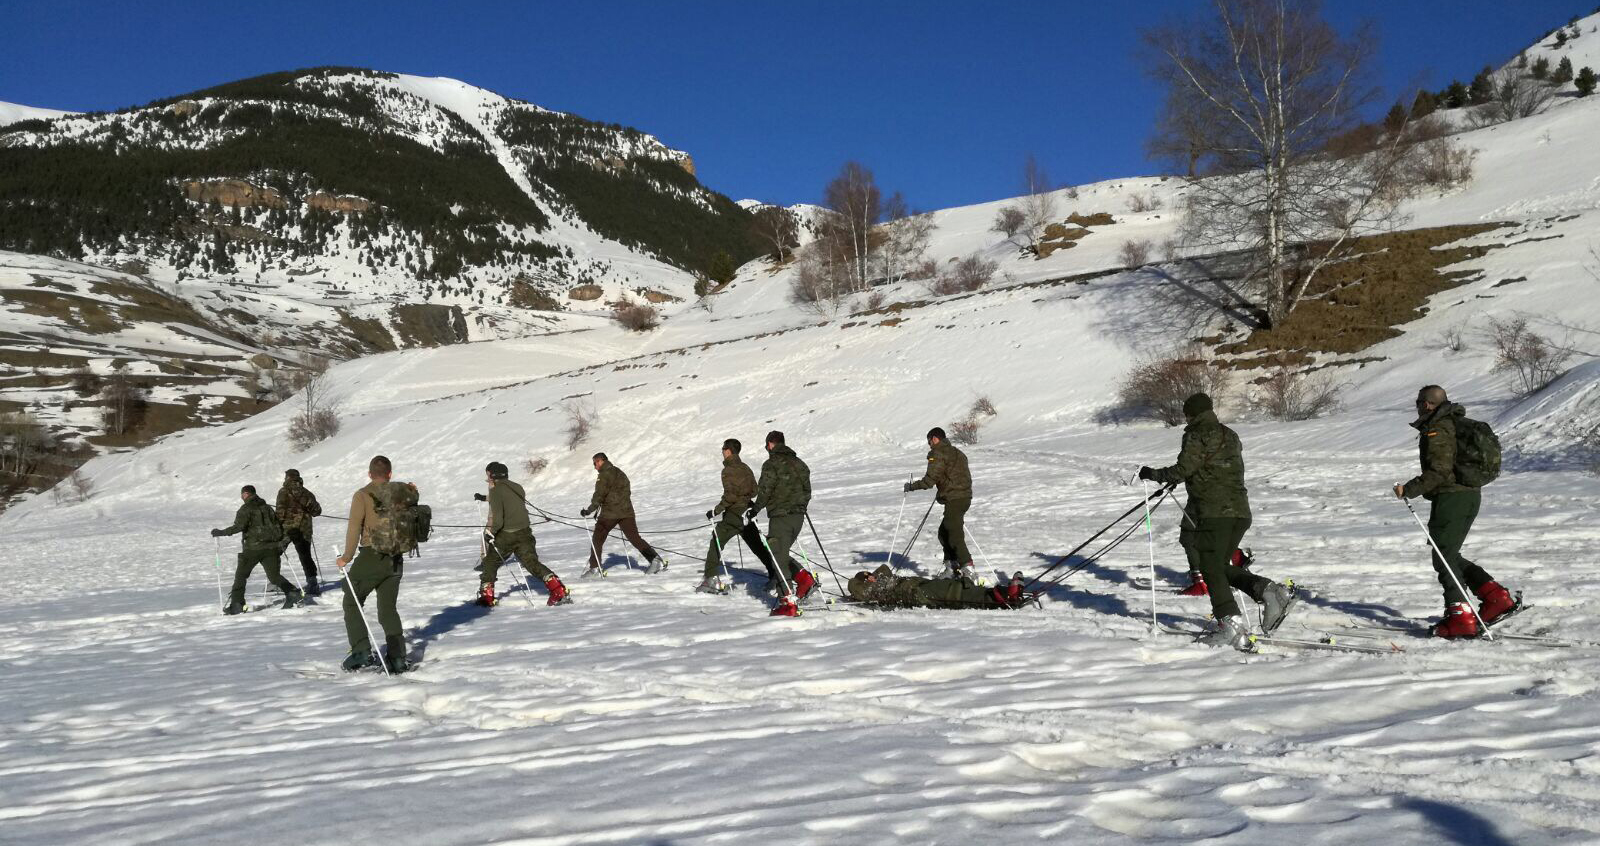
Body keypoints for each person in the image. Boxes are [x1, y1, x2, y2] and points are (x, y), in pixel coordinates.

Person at [1138, 392, 1294, 651]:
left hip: (1214, 512)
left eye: (1187, 414)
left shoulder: (1197, 433)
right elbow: (1211, 467)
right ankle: (1269, 591)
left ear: (1192, 414)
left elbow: (1183, 469)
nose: (1186, 419)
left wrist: (1151, 474)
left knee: (1210, 567)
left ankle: (1230, 625)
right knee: (1218, 565)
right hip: (1240, 512)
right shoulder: (1230, 434)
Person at [1394, 385, 1517, 638]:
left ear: (1428, 404)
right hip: (1468, 494)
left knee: (1443, 556)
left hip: (1453, 497)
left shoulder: (1440, 428)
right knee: (1448, 553)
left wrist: (1409, 488)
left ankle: (1460, 616)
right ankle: (1496, 597)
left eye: (1419, 401)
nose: (1417, 405)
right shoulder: (1453, 422)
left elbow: (1440, 471)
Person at [334, 455, 414, 673]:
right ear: (390, 474)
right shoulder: (402, 493)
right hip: (396, 558)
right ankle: (397, 658)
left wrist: (346, 557)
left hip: (372, 555)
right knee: (388, 608)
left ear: (369, 474)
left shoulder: (362, 495)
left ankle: (361, 652)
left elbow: (354, 528)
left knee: (352, 601)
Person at [474, 461, 570, 607]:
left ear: (493, 475)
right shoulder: (518, 486)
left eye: (489, 475)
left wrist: (490, 533)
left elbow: (498, 519)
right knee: (532, 563)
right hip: (525, 532)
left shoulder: (496, 491)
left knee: (490, 563)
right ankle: (558, 590)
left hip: (507, 535)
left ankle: (487, 597)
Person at [748, 431, 817, 616]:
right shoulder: (800, 463)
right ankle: (804, 579)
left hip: (780, 517)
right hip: (798, 517)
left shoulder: (771, 464)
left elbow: (765, 491)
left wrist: (754, 509)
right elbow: (807, 490)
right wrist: (800, 506)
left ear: (770, 444)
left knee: (777, 556)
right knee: (780, 552)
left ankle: (787, 601)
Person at [699, 438, 777, 594]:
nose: (722, 451)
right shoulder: (745, 467)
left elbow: (730, 496)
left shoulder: (728, 470)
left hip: (734, 514)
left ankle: (710, 579)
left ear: (728, 451)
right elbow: (755, 491)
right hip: (748, 512)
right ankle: (775, 574)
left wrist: (716, 511)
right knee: (758, 546)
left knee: (716, 540)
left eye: (723, 448)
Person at [212, 485, 303, 614]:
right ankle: (292, 593)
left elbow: (238, 527)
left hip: (253, 549)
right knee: (274, 576)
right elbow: (278, 525)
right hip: (272, 547)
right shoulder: (267, 508)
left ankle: (237, 605)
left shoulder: (245, 509)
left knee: (241, 576)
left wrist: (220, 532)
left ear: (245, 494)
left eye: (242, 494)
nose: (242, 497)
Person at [904, 427, 976, 582]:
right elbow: (955, 475)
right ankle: (952, 567)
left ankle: (968, 567)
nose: (929, 445)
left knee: (953, 531)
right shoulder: (958, 453)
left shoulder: (938, 453)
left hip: (955, 498)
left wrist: (911, 487)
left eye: (929, 441)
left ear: (935, 439)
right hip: (964, 497)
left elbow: (929, 481)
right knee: (944, 532)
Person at [580, 453, 668, 577]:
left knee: (597, 538)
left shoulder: (604, 475)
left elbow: (599, 495)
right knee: (634, 538)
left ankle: (595, 569)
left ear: (601, 461)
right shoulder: (619, 472)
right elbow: (627, 490)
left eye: (595, 463)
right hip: (627, 512)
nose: (594, 466)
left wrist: (589, 510)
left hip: (610, 514)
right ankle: (656, 560)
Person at [847, 564, 1026, 610]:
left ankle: (1006, 591)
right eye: (867, 578)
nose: (871, 578)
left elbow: (884, 569)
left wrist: (870, 575)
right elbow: (852, 585)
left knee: (959, 586)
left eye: (870, 576)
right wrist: (862, 579)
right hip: (916, 593)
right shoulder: (871, 592)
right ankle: (1002, 598)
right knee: (956, 594)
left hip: (923, 585)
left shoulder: (881, 579)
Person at [275, 469, 323, 596]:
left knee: (275, 553)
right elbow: (317, 511)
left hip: (287, 529)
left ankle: (276, 581)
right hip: (304, 529)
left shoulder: (283, 491)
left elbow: (280, 511)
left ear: (287, 478)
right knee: (305, 556)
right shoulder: (307, 493)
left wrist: (276, 526)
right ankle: (313, 583)